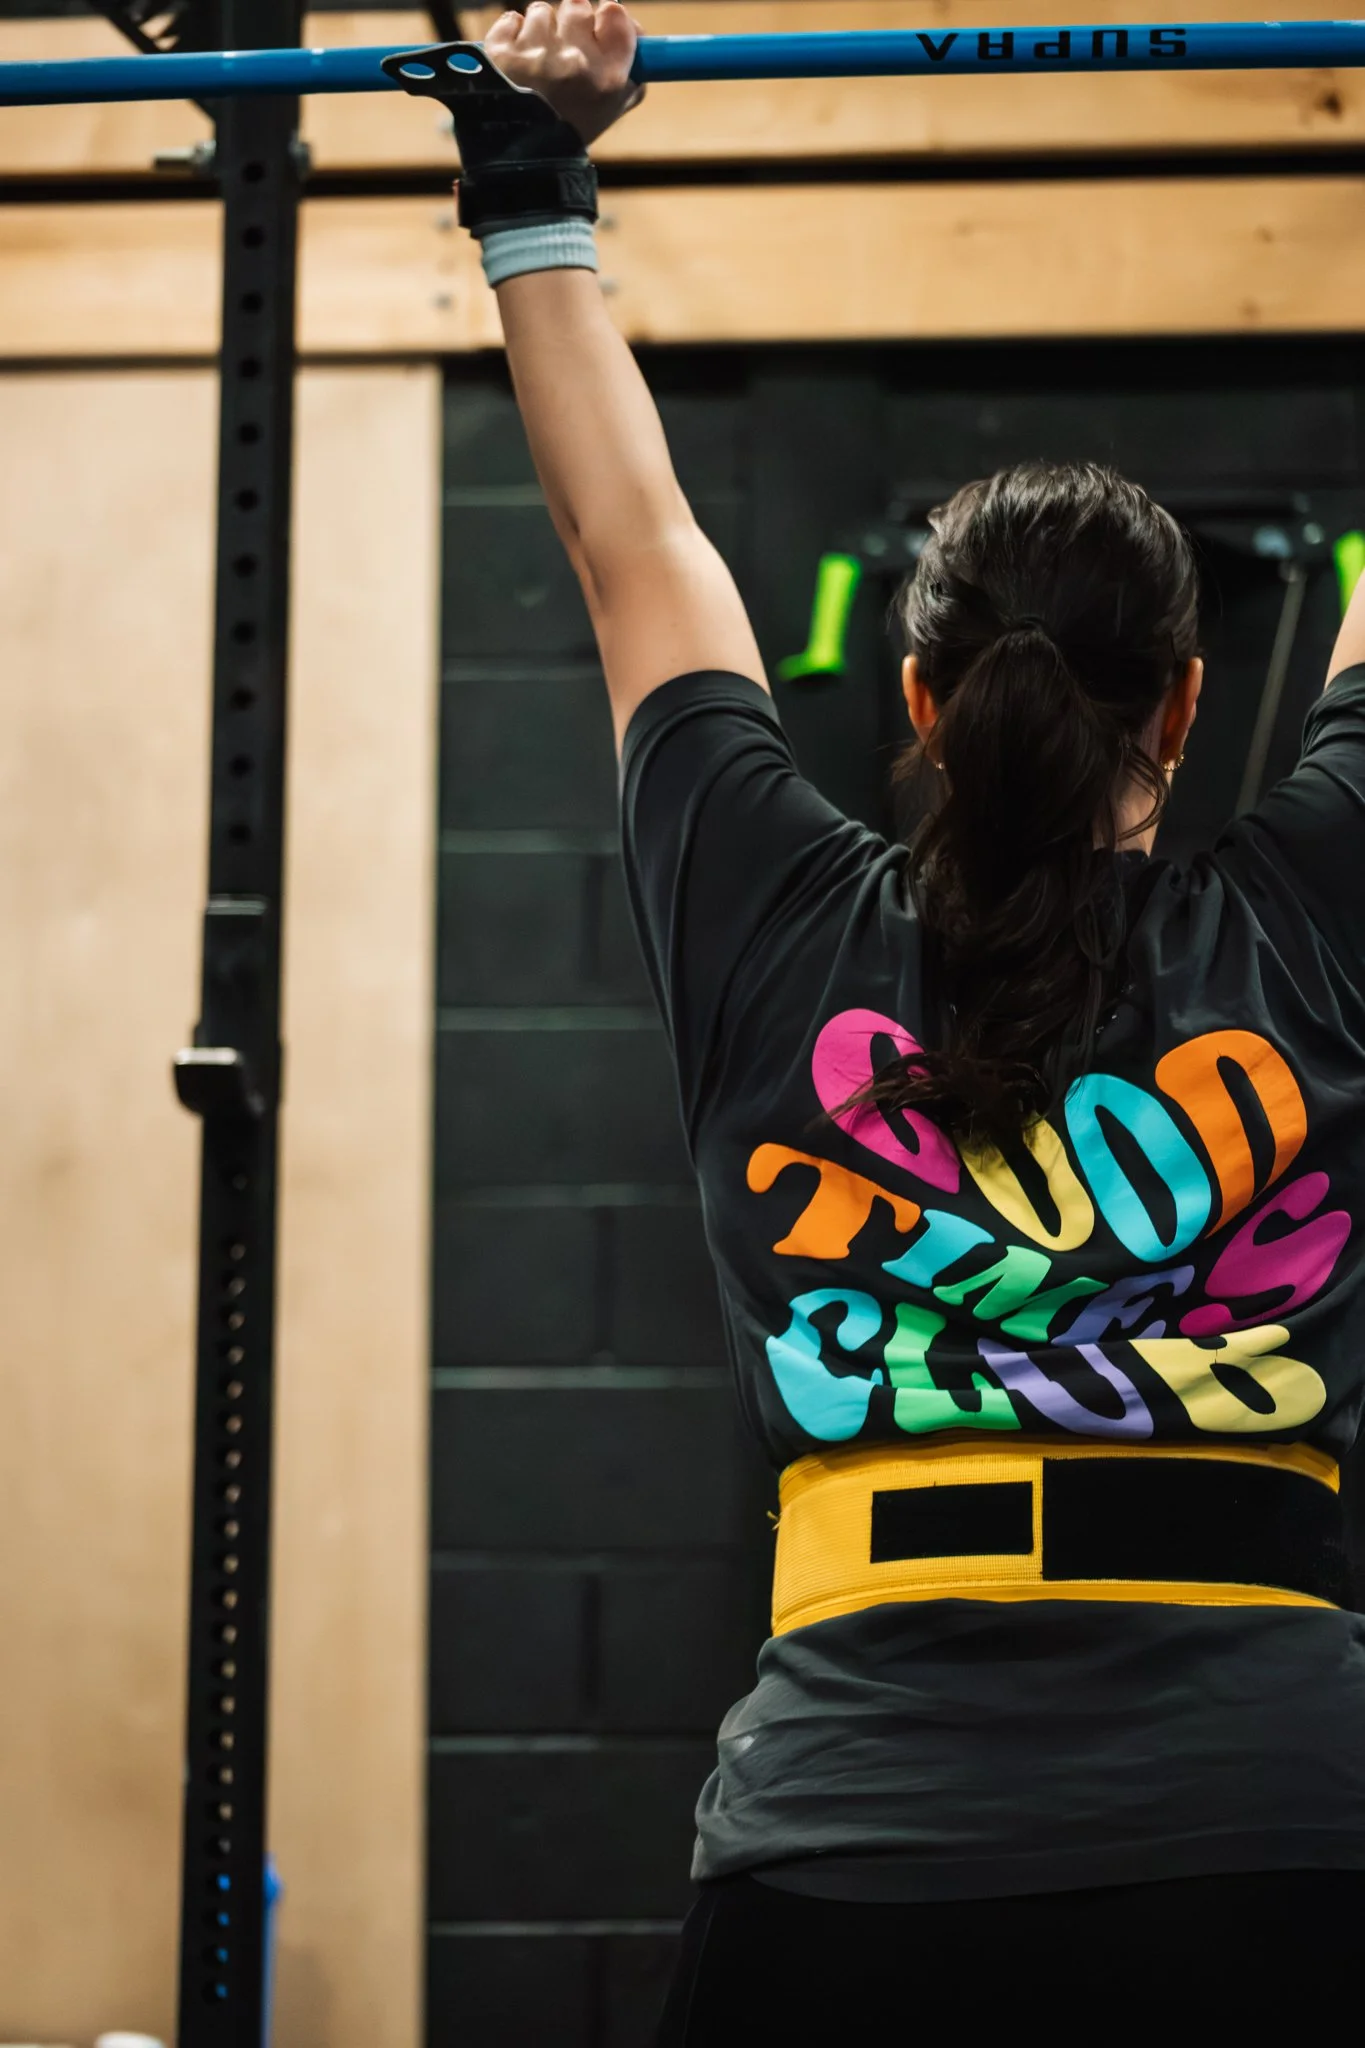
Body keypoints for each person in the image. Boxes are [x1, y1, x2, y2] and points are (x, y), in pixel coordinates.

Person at [446, 3, 1365, 2031]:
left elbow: (635, 551)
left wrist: (535, 173)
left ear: (919, 701)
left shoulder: (772, 912)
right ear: (1191, 702)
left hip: (857, 1859)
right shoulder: (1313, 917)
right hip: (1275, 1846)